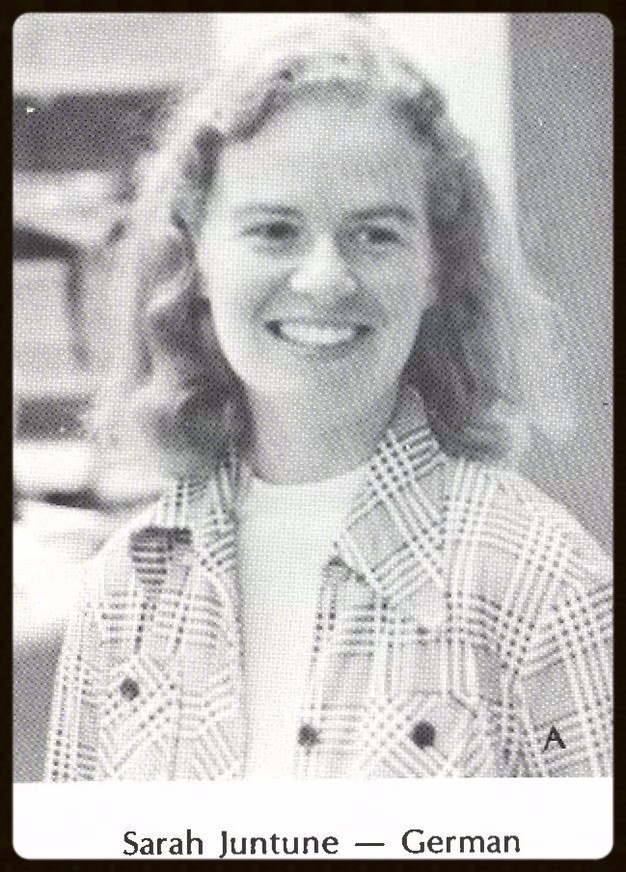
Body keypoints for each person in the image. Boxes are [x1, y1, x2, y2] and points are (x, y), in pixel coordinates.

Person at [45, 16, 611, 781]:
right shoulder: (124, 591)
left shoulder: (545, 586)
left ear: (436, 269)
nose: (323, 279)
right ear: (197, 255)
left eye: (374, 235)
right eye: (274, 230)